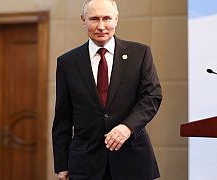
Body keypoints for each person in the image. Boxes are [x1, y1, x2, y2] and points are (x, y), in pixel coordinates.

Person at [52, 0, 162, 179]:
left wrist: (127, 127)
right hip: (85, 164)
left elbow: (151, 97)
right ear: (83, 20)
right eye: (94, 19)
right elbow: (63, 118)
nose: (101, 26)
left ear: (116, 19)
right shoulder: (67, 63)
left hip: (132, 160)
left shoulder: (139, 54)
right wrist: (62, 164)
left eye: (107, 18)